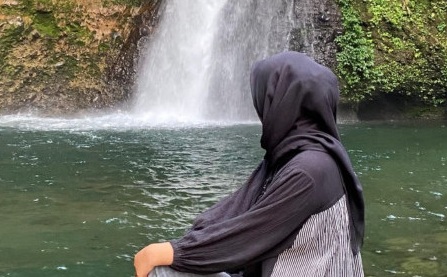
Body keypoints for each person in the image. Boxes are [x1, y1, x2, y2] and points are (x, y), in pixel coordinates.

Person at [134, 51, 365, 277]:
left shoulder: (310, 169)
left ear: (282, 103)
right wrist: (184, 245)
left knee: (162, 269)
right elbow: (232, 215)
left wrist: (174, 251)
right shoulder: (296, 156)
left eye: (266, 97)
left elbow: (248, 236)